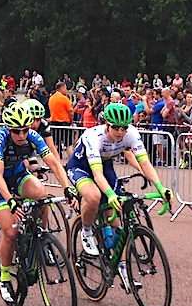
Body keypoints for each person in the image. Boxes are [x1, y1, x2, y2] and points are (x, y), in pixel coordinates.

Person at [66, 103, 172, 289]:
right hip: (81, 167)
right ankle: (87, 230)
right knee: (94, 197)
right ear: (107, 124)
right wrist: (110, 195)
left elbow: (145, 163)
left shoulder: (131, 134)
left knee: (119, 226)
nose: (120, 132)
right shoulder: (94, 136)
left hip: (105, 166)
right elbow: (96, 175)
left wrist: (161, 187)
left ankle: (122, 268)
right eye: (115, 127)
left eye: (124, 127)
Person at [0, 102, 76, 302]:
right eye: (17, 131)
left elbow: (53, 162)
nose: (21, 135)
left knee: (41, 195)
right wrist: (10, 201)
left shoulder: (33, 137)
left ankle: (40, 237)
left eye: (25, 130)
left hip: (18, 174)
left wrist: (67, 187)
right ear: (9, 129)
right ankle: (3, 276)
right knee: (10, 232)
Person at [48, 81, 74, 157]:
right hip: (64, 123)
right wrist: (71, 121)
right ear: (61, 88)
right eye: (65, 88)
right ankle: (72, 162)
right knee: (69, 145)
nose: (66, 90)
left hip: (54, 123)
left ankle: (55, 161)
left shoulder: (51, 99)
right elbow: (71, 112)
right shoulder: (64, 98)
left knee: (55, 144)